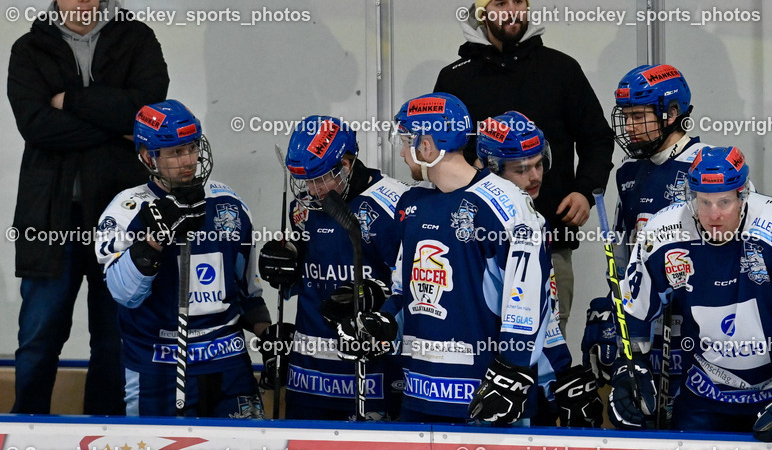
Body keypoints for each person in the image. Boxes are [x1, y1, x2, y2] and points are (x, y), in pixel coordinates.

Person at [7, 0, 169, 415]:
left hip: (119, 218)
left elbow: (146, 111)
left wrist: (70, 101)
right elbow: (35, 126)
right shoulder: (30, 49)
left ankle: (106, 435)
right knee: (38, 337)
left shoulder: (135, 39)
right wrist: (112, 123)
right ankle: (23, 433)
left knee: (114, 337)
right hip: (50, 217)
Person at [434, 0, 614, 333]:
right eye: (500, 2)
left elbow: (597, 137)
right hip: (477, 241)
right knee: (479, 337)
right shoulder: (455, 78)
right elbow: (440, 154)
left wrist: (585, 191)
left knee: (549, 341)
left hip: (551, 237)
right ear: (483, 13)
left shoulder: (562, 70)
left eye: (519, 1)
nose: (512, 10)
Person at [354, 93, 551, 425]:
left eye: (407, 141)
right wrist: (382, 325)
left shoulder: (506, 204)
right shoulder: (413, 204)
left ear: (428, 146)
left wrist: (512, 373)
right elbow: (405, 291)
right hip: (418, 394)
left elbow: (529, 300)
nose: (403, 152)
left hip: (484, 398)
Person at [612, 146, 772, 439]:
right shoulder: (663, 231)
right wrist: (631, 366)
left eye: (724, 202)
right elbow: (634, 307)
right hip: (704, 391)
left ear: (743, 196)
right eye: (704, 202)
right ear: (692, 197)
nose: (714, 215)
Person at [96, 100, 280, 418]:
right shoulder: (125, 211)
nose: (188, 161)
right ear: (147, 156)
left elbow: (246, 291)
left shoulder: (229, 204)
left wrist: (270, 338)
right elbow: (123, 293)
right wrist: (153, 241)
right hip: (157, 365)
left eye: (192, 147)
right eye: (175, 152)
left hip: (227, 361)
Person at [256, 116, 408, 420]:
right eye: (305, 180)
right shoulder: (302, 206)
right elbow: (308, 274)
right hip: (308, 373)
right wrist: (284, 266)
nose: (312, 190)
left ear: (347, 165)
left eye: (321, 178)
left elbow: (409, 289)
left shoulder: (393, 203)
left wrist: (377, 307)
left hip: (368, 371)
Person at [584, 63, 709, 418]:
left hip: (700, 330)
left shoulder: (708, 166)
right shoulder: (629, 172)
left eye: (639, 116)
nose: (631, 127)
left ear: (671, 114)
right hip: (647, 329)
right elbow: (624, 258)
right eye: (626, 116)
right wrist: (615, 309)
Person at [476, 111, 602, 428]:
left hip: (520, 382)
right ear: (491, 168)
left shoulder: (535, 219)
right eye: (521, 169)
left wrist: (561, 373)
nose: (535, 177)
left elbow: (542, 312)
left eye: (539, 164)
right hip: (482, 379)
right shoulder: (475, 217)